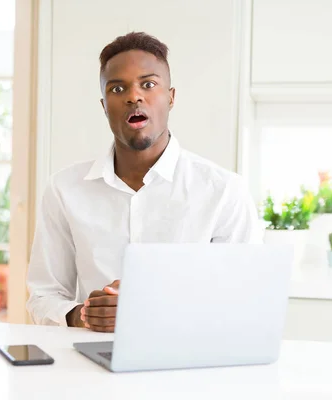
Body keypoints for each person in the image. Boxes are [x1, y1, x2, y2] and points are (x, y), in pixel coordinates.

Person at [26, 32, 263, 332]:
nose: (133, 96)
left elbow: (244, 298)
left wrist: (154, 309)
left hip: (190, 363)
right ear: (104, 105)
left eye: (148, 84)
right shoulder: (63, 190)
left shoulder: (224, 191)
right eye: (117, 88)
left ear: (171, 97)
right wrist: (85, 314)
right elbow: (43, 296)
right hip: (89, 365)